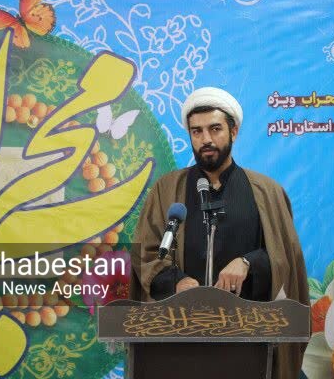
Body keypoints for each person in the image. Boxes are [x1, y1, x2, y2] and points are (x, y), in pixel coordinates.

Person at [130, 87, 309, 379]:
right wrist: (177, 281)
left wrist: (249, 262)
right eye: (197, 131)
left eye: (215, 129)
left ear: (233, 131)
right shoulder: (166, 190)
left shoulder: (267, 192)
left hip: (249, 342)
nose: (206, 140)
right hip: (179, 340)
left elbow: (285, 259)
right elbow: (145, 253)